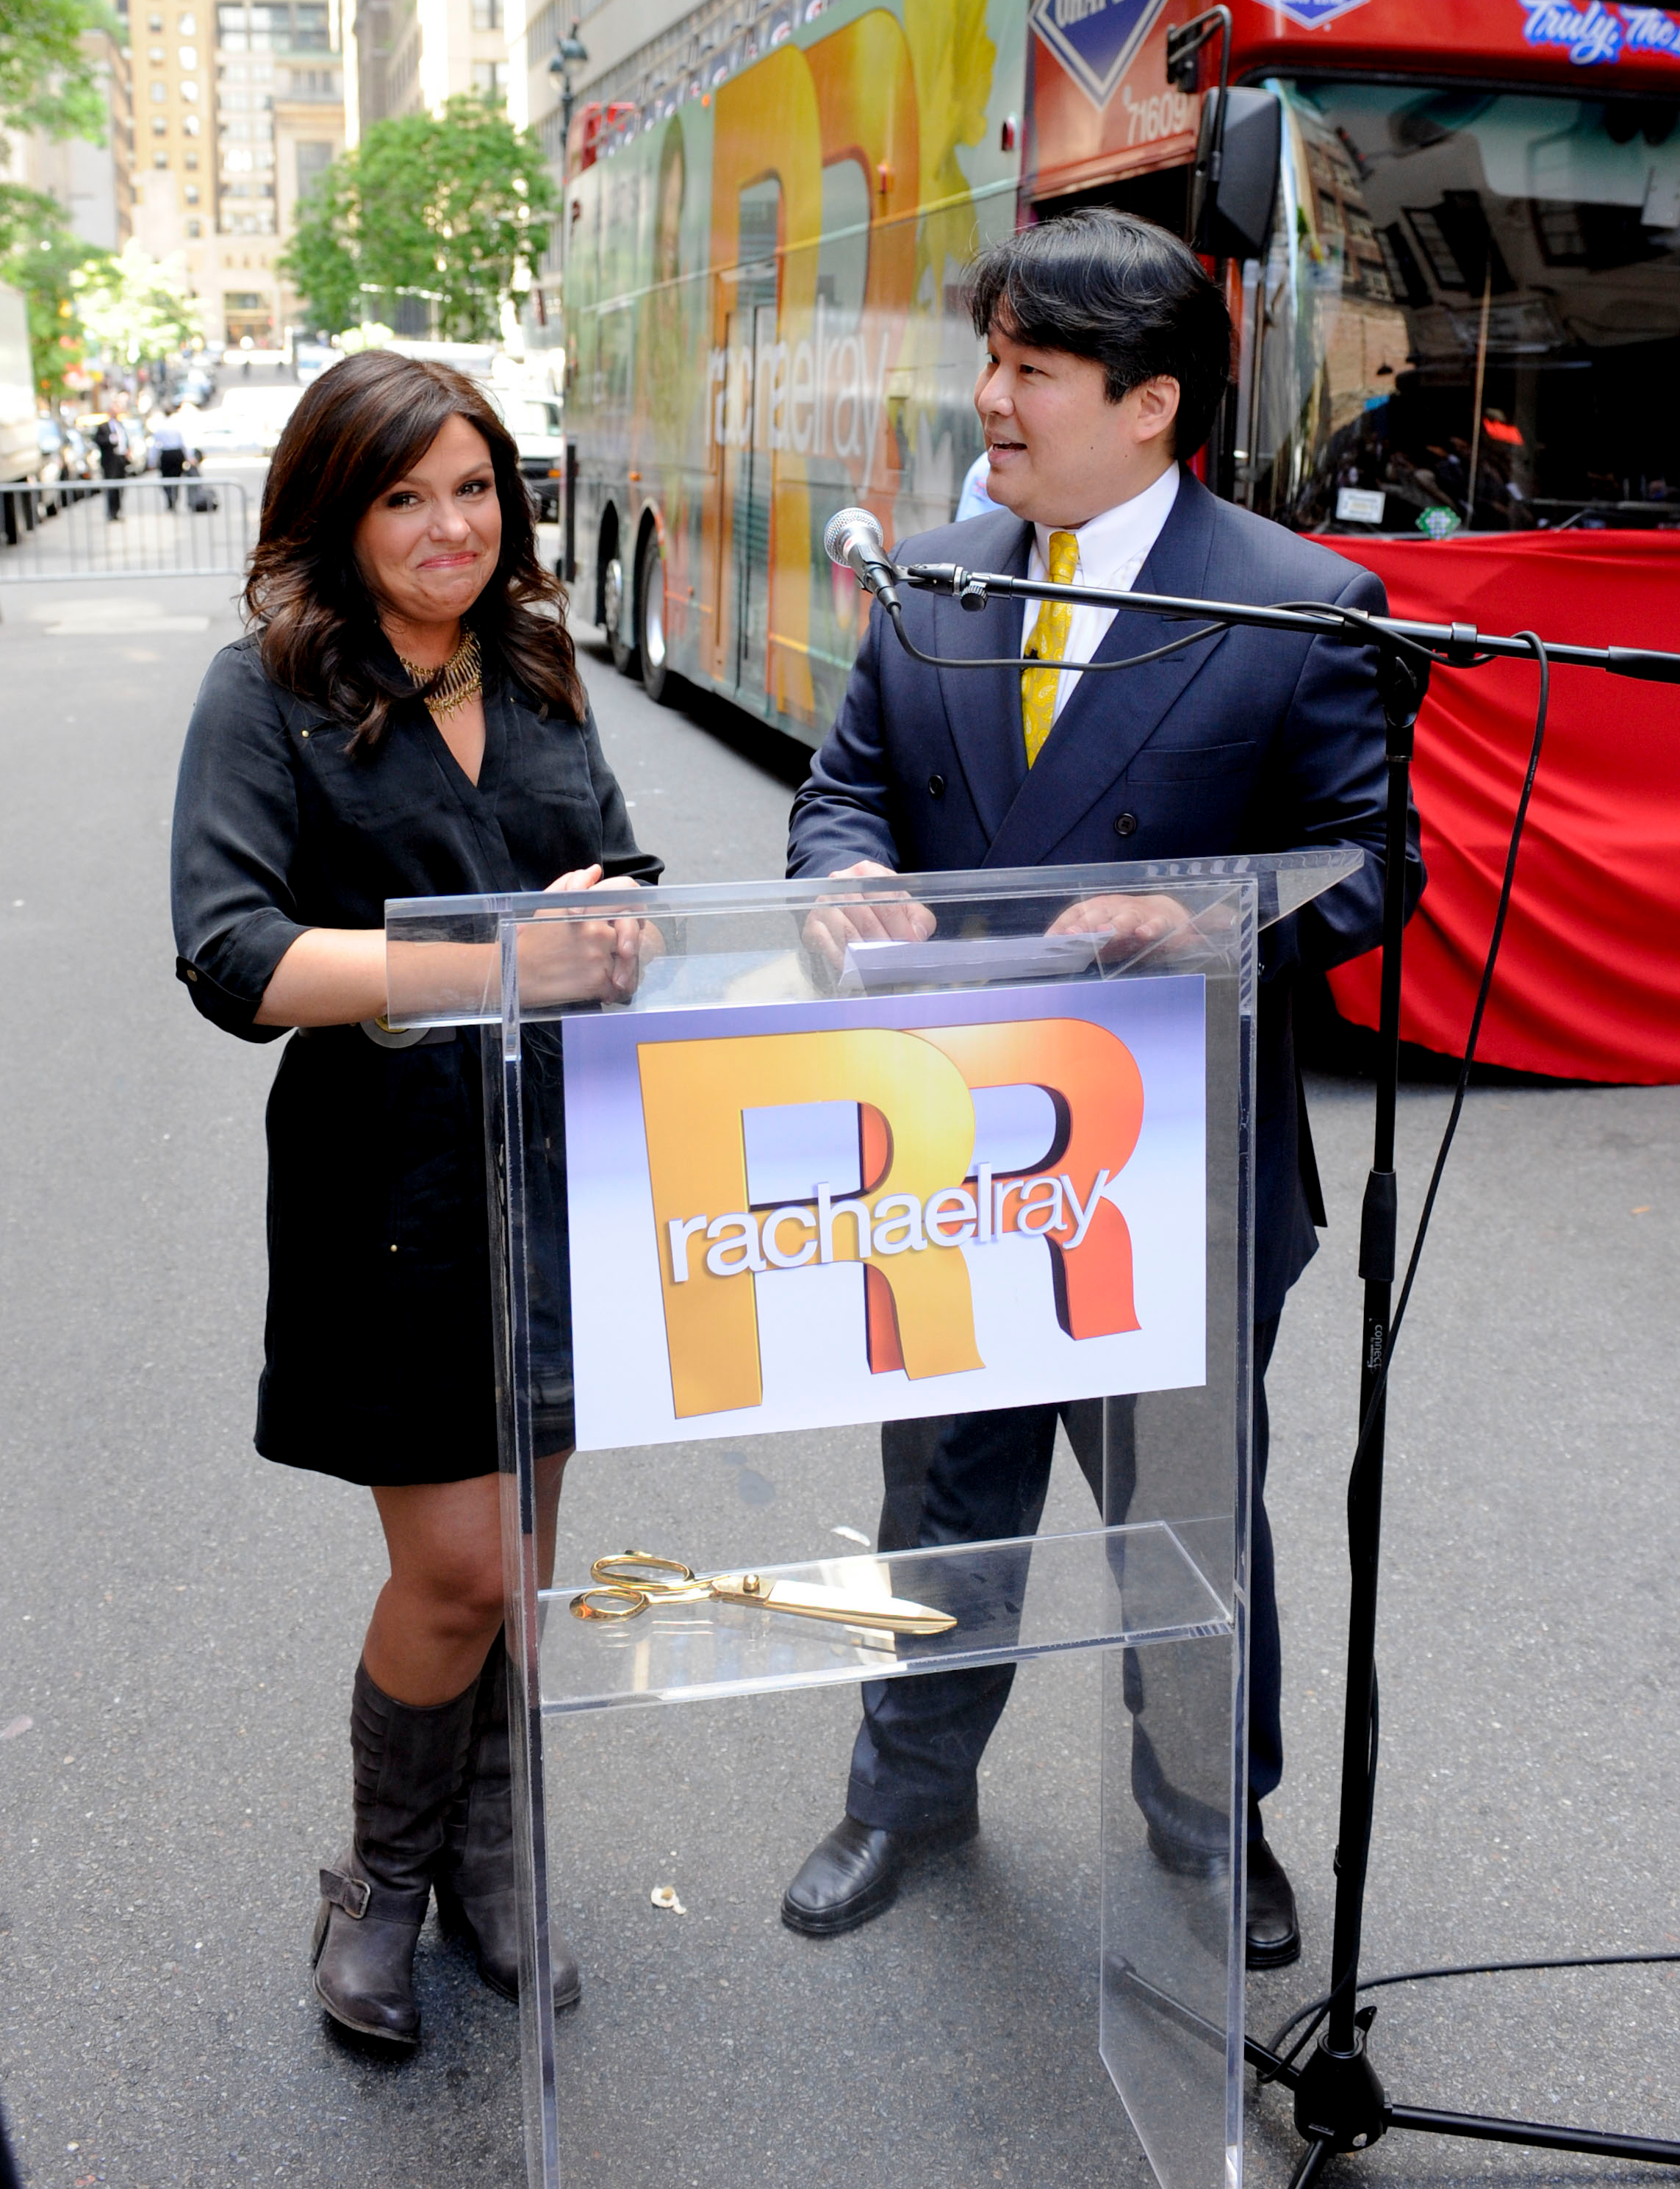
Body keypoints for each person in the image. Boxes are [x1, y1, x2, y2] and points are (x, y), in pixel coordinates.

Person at [782, 210, 1420, 1966]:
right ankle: (904, 1795)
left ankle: (1214, 1818)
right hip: (947, 1156)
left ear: (1150, 404)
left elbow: (1375, 868)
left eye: (1029, 372)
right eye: (988, 360)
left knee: (1184, 1518)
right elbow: (846, 790)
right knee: (944, 1501)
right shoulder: (935, 577)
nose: (989, 400)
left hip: (1174, 1171)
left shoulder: (1299, 606)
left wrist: (1204, 913)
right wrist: (842, 876)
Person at [170, 351, 659, 2052]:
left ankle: (490, 1859)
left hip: (559, 1163)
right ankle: (380, 1879)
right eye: (403, 494)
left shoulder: (536, 662)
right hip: (389, 1184)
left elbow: (604, 864)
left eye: (475, 486)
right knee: (452, 1570)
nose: (450, 526)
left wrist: (614, 921)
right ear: (334, 508)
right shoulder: (268, 691)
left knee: (516, 1565)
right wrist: (492, 952)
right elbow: (231, 954)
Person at [93, 403, 129, 522]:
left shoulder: (121, 426)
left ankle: (117, 511)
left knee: (120, 487)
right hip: (110, 461)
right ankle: (111, 512)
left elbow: (126, 440)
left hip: (121, 459)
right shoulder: (103, 427)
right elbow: (98, 441)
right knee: (111, 488)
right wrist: (110, 440)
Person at [151, 411, 187, 509]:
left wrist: (152, 461)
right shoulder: (176, 426)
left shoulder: (161, 428)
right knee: (176, 479)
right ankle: (173, 497)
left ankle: (171, 498)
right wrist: (189, 456)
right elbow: (184, 443)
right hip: (176, 454)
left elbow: (155, 446)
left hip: (167, 455)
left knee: (166, 480)